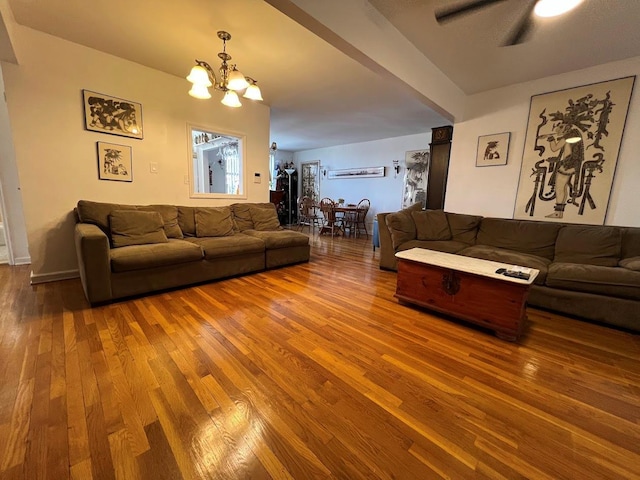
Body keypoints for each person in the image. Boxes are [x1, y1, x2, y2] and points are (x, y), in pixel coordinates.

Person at [543, 123, 584, 218]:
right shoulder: (575, 134)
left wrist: (551, 139)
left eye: (560, 127)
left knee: (559, 188)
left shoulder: (568, 137)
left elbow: (554, 148)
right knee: (563, 187)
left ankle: (557, 213)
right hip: (572, 164)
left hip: (568, 164)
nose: (558, 129)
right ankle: (559, 212)